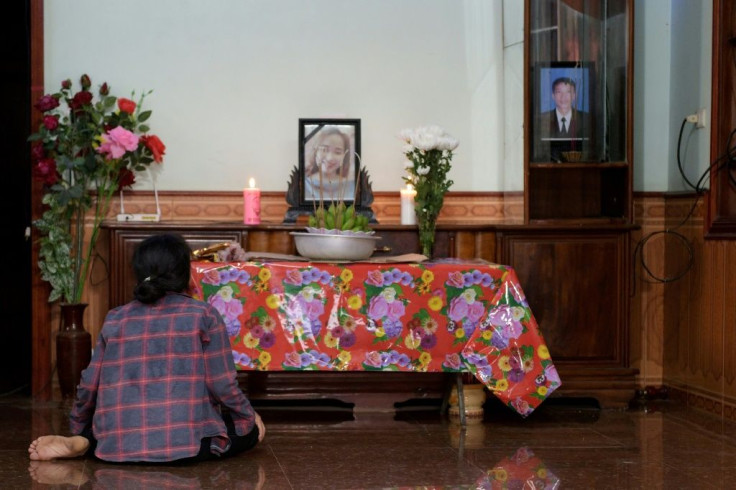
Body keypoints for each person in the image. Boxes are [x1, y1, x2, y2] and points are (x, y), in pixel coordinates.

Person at [28, 233, 265, 463]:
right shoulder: (204, 315)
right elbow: (222, 384)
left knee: (106, 427)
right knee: (247, 430)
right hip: (185, 446)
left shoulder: (115, 317)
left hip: (116, 445)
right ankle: (92, 442)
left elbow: (90, 384)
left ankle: (85, 442)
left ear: (139, 273)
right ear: (185, 272)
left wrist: (79, 428)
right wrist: (247, 418)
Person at [534, 76, 592, 162]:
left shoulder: (586, 118)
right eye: (559, 92)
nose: (563, 97)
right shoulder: (542, 119)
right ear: (553, 95)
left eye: (568, 92)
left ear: (574, 95)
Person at [303, 125, 355, 202]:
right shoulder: (303, 184)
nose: (330, 158)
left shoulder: (351, 186)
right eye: (324, 149)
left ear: (344, 156)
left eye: (338, 152)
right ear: (316, 151)